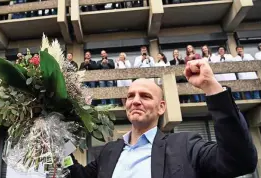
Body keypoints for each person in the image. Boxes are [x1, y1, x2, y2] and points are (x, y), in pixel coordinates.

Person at [68, 59, 257, 178]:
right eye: (131, 96)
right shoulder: (109, 151)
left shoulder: (185, 146)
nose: (135, 101)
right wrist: (58, 144)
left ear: (162, 107)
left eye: (145, 96)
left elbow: (239, 161)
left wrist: (212, 88)